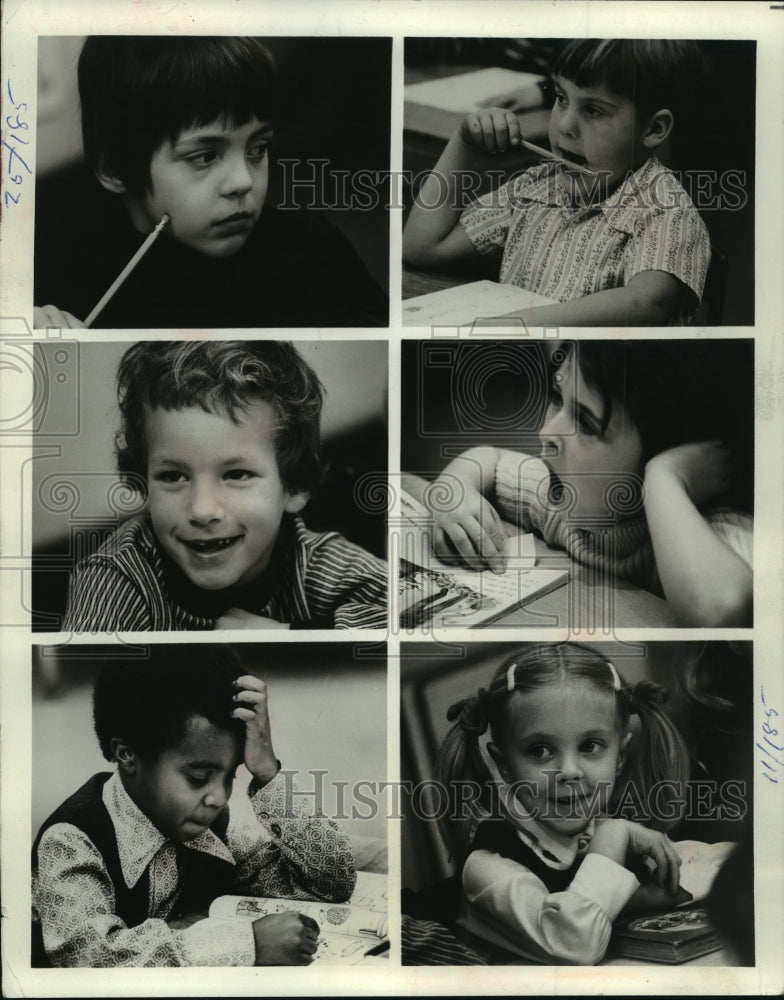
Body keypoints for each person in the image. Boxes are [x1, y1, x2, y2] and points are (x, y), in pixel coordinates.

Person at [31, 645, 356, 967]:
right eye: (198, 777)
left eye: (230, 775)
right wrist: (248, 944)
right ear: (127, 755)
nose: (219, 796)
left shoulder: (209, 830)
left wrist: (267, 771)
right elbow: (88, 958)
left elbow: (330, 884)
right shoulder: (72, 840)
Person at [34, 36, 387, 329]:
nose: (243, 182)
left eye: (258, 149)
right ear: (115, 168)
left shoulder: (312, 250)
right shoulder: (56, 275)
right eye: (204, 156)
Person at [404, 340, 752, 627]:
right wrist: (453, 491)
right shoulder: (558, 500)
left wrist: (664, 479)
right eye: (557, 399)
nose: (546, 433)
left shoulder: (720, 534)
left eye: (585, 423)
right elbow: (490, 459)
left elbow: (718, 607)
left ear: (670, 452)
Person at [63, 341, 387, 631]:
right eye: (173, 477)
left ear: (294, 483)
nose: (202, 510)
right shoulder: (115, 577)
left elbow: (430, 607)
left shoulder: (321, 563)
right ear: (144, 482)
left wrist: (286, 634)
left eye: (236, 475)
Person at [403, 39, 711, 325]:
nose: (564, 125)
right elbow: (421, 247)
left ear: (654, 129)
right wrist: (465, 142)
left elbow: (648, 302)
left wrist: (520, 325)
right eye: (561, 98)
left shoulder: (666, 210)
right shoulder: (536, 186)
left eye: (593, 110)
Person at [429, 643, 690, 965]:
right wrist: (611, 840)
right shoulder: (488, 869)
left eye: (591, 746)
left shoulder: (606, 827)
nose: (569, 771)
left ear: (620, 756)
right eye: (540, 751)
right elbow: (575, 944)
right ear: (505, 765)